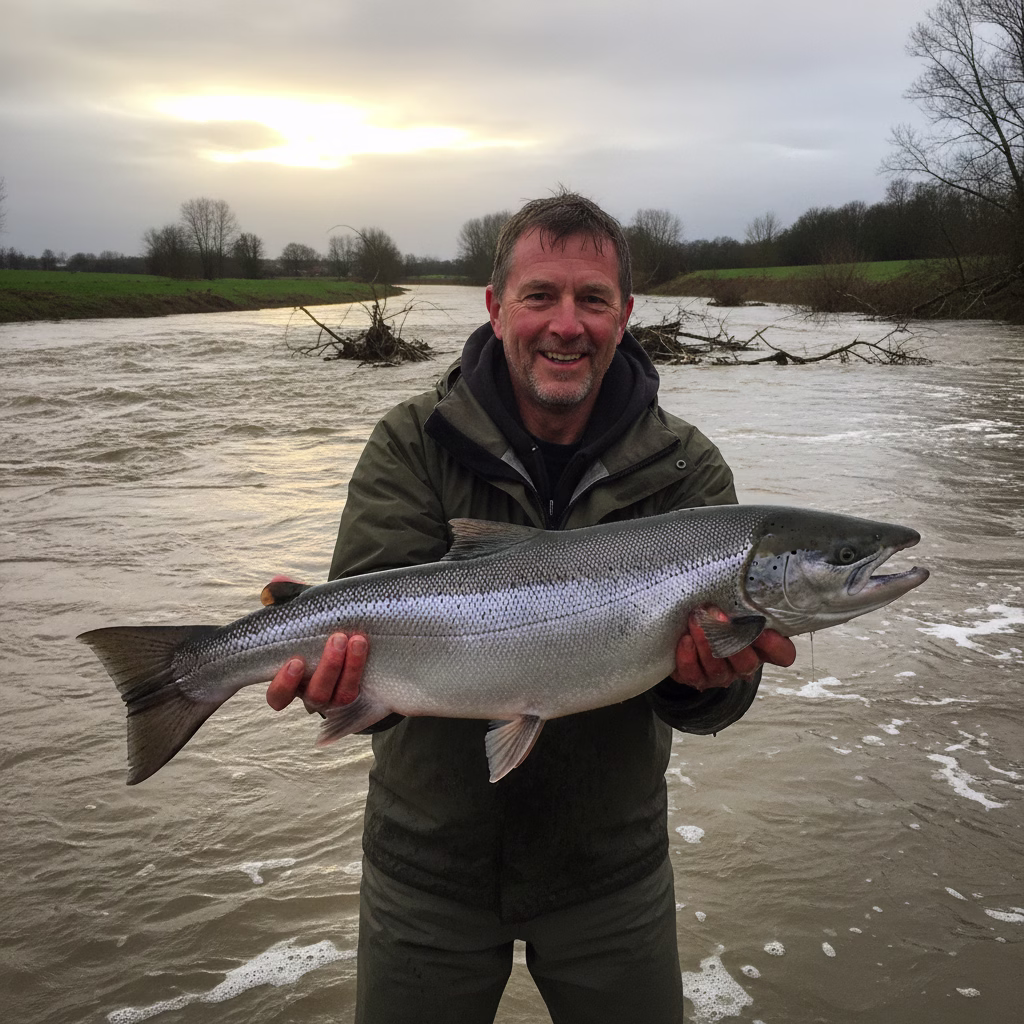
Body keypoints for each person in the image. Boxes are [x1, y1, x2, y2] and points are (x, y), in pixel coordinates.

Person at [266, 192, 796, 1023]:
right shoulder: (413, 441)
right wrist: (345, 696)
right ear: (495, 306)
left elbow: (722, 700)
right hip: (426, 871)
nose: (565, 324)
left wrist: (699, 684)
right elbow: (367, 653)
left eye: (591, 300)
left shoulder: (688, 471)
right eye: (540, 296)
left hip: (610, 872)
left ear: (625, 315)